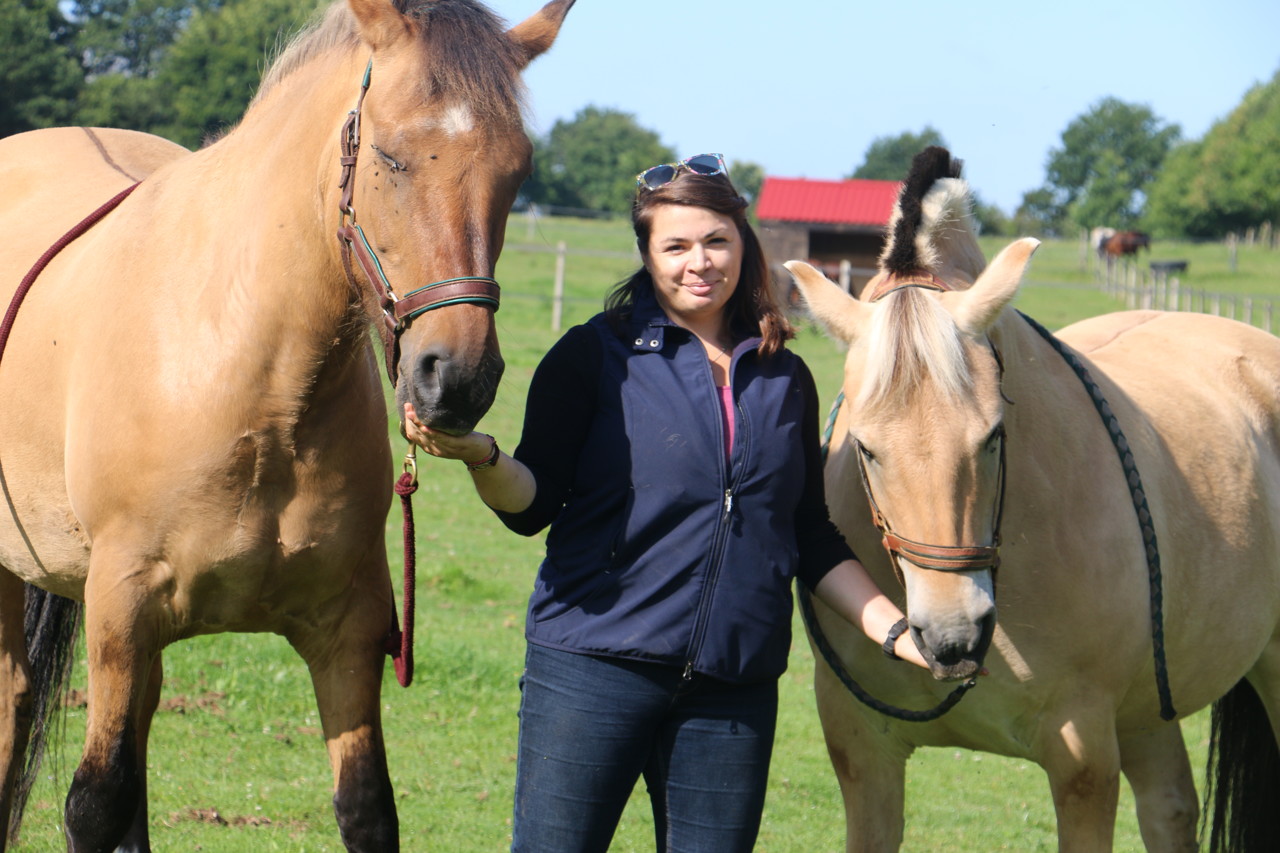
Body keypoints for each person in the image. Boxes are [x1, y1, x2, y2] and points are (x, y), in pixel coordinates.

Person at [404, 153, 929, 853]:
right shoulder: (594, 356)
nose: (699, 262)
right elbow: (531, 504)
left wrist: (898, 631)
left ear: (745, 244)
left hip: (732, 692)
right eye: (675, 246)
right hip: (592, 672)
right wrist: (484, 457)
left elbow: (808, 534)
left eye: (716, 240)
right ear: (647, 256)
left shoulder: (786, 378)